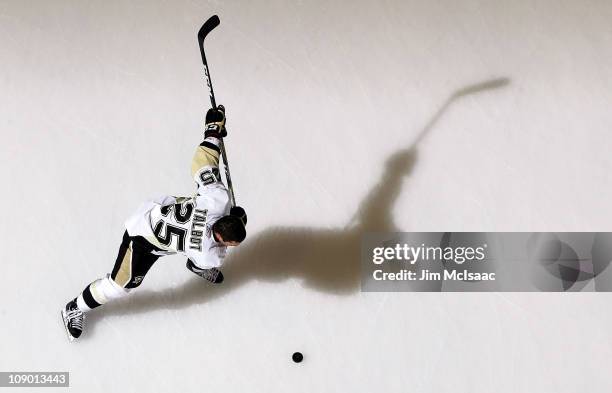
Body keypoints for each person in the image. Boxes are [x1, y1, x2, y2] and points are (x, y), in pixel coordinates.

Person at [61, 106, 247, 341]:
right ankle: (74, 307)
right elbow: (210, 247)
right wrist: (239, 218)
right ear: (223, 240)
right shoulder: (211, 256)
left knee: (197, 237)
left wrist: (213, 131)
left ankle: (196, 266)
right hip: (140, 238)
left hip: (154, 211)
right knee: (120, 286)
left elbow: (202, 163)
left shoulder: (217, 198)